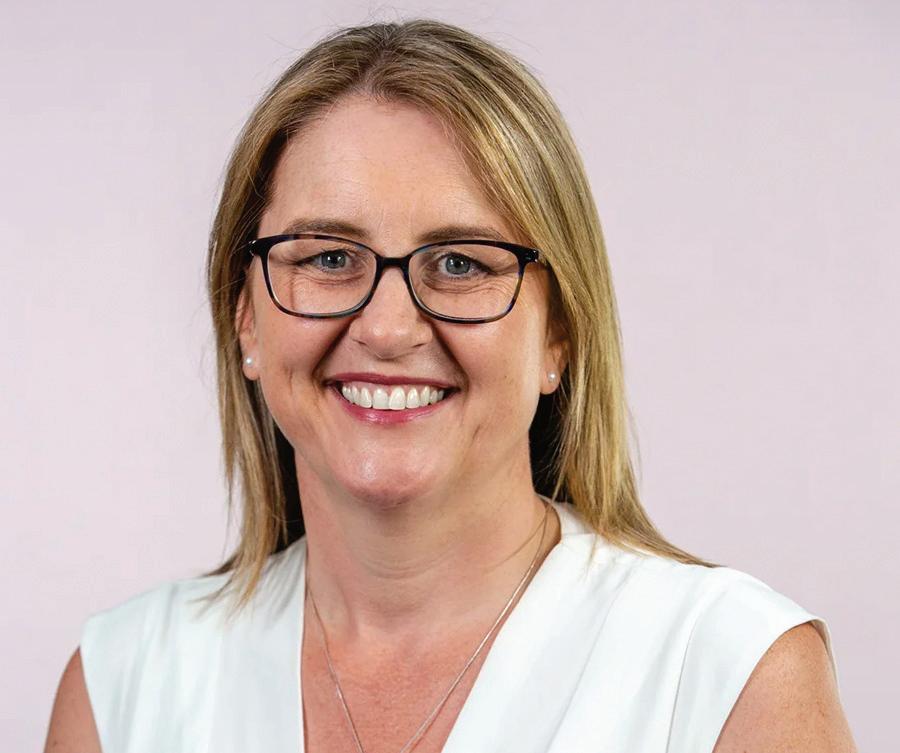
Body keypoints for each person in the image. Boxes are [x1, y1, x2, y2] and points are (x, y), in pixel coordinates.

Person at [44, 18, 857, 753]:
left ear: (559, 333)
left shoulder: (729, 676)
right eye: (329, 257)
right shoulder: (121, 688)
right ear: (247, 318)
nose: (388, 328)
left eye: (462, 262)